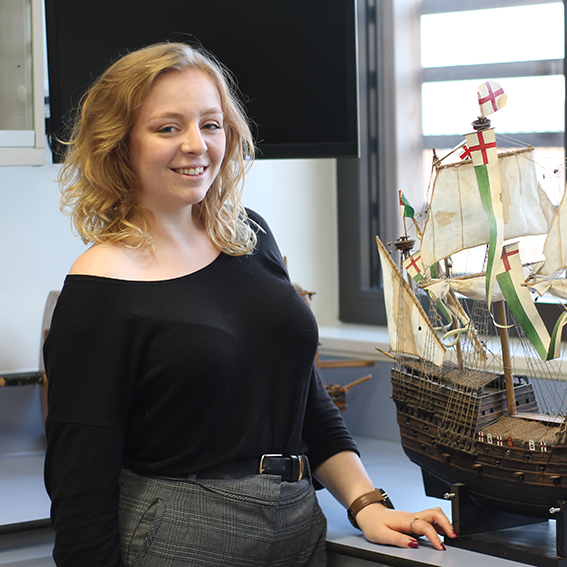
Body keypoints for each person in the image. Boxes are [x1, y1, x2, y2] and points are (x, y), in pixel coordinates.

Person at [43, 42, 456, 567]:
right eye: (167, 128)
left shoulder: (249, 234)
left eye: (210, 124)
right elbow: (79, 478)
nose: (196, 145)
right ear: (120, 143)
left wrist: (367, 503)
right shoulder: (101, 285)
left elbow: (300, 396)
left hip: (299, 520)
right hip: (180, 534)